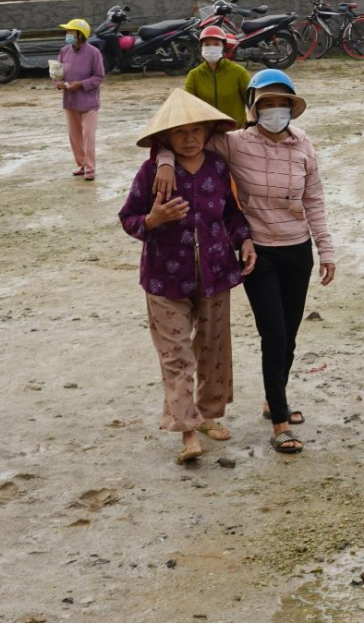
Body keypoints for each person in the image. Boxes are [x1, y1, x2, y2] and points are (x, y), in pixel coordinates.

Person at [153, 69, 336, 456]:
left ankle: (275, 397)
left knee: (290, 332)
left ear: (291, 108)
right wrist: (165, 161)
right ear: (253, 108)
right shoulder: (234, 144)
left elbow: (314, 201)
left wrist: (326, 249)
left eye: (281, 104)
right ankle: (280, 423)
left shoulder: (304, 146)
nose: (274, 111)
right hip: (258, 253)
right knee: (274, 335)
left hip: (297, 249)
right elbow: (185, 138)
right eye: (266, 104)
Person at [120, 90, 256, 464]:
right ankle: (187, 431)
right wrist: (152, 220)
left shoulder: (217, 167)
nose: (190, 138)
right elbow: (128, 218)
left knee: (214, 349)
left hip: (215, 273)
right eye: (180, 132)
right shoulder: (152, 172)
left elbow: (231, 214)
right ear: (166, 138)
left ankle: (209, 414)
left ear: (207, 132)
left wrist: (245, 241)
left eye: (197, 130)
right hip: (165, 278)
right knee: (176, 355)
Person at [55, 18, 105, 181]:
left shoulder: (94, 53)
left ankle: (90, 168)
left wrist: (81, 84)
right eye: (67, 32)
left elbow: (99, 76)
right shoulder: (64, 51)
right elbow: (56, 73)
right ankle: (82, 165)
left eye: (71, 31)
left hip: (89, 102)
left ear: (81, 35)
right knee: (74, 136)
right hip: (70, 101)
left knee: (88, 135)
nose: (68, 35)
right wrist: (58, 83)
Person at [185, 25, 249, 126]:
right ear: (201, 48)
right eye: (207, 44)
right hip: (207, 135)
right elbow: (189, 106)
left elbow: (252, 102)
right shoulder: (194, 75)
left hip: (235, 133)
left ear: (223, 48)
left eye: (216, 44)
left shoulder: (239, 72)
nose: (211, 47)